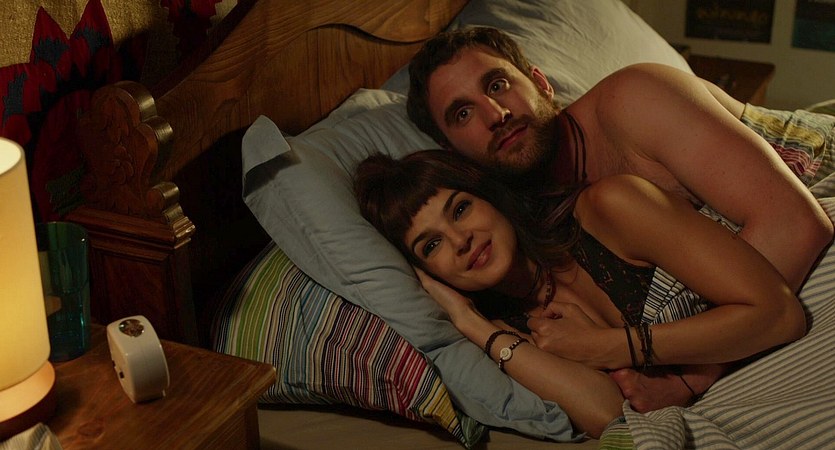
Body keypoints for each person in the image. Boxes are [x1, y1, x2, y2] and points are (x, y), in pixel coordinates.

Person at [405, 26, 835, 409]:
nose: (495, 115)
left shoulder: (632, 100)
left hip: (815, 163)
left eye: (498, 85)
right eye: (463, 114)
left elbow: (796, 225)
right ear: (452, 152)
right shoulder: (517, 222)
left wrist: (691, 376)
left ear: (541, 83)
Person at [353, 149, 806, 437]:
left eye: (460, 209)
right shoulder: (511, 332)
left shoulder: (610, 208)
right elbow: (610, 415)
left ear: (490, 196)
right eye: (431, 246)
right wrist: (469, 322)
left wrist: (607, 346)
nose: (460, 240)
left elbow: (781, 314)